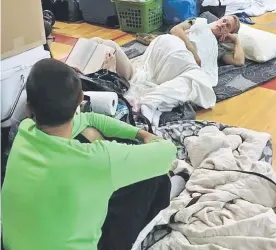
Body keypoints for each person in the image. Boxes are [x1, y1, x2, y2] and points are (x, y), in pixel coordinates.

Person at [2, 58, 176, 250]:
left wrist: (137, 132)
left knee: (89, 135)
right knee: (155, 179)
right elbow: (168, 152)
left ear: (28, 107)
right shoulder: (98, 158)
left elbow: (88, 118)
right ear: (80, 99)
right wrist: (145, 137)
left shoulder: (24, 132)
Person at [170, 14, 244, 67]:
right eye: (223, 21)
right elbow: (175, 29)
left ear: (228, 33)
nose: (223, 24)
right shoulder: (197, 22)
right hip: (173, 47)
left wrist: (236, 40)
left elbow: (239, 61)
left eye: (227, 26)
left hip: (185, 63)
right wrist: (193, 50)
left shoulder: (218, 48)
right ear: (218, 19)